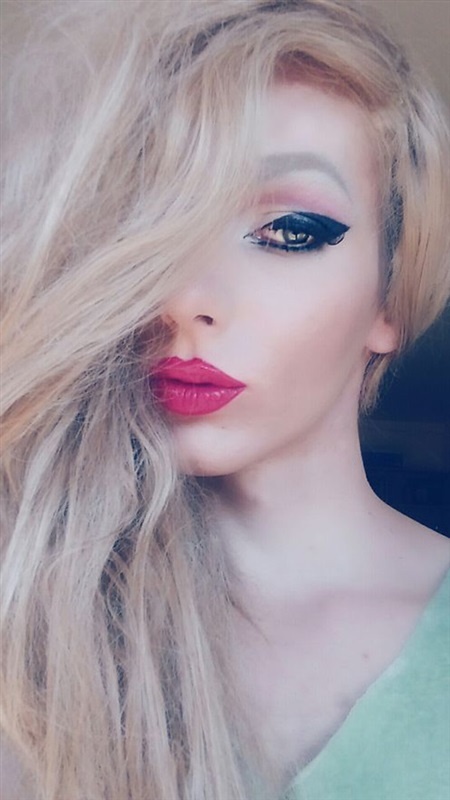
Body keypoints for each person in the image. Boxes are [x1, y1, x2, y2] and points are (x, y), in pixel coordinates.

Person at [1, 1, 449, 799]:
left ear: (388, 294)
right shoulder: (28, 609)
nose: (184, 301)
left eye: (289, 231)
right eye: (149, 233)